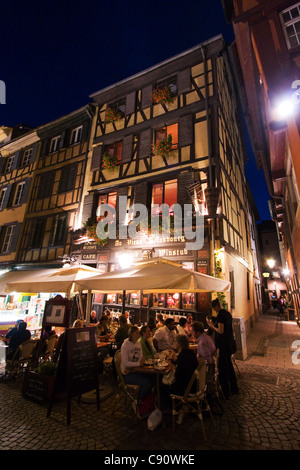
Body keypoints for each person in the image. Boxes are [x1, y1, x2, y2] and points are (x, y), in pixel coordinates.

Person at [207, 298, 239, 399]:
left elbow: (220, 331)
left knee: (222, 368)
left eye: (214, 308)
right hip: (230, 343)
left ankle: (225, 392)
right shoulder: (228, 314)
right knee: (229, 365)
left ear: (216, 306)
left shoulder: (220, 315)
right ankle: (234, 388)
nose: (214, 310)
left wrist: (212, 326)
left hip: (223, 345)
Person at [120, 326, 153, 401]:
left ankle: (147, 400)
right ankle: (137, 400)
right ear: (131, 334)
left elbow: (141, 357)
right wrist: (138, 364)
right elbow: (125, 363)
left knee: (153, 378)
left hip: (135, 370)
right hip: (127, 374)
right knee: (147, 383)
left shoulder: (138, 344)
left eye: (138, 333)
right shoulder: (125, 345)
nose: (138, 335)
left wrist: (140, 363)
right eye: (136, 333)